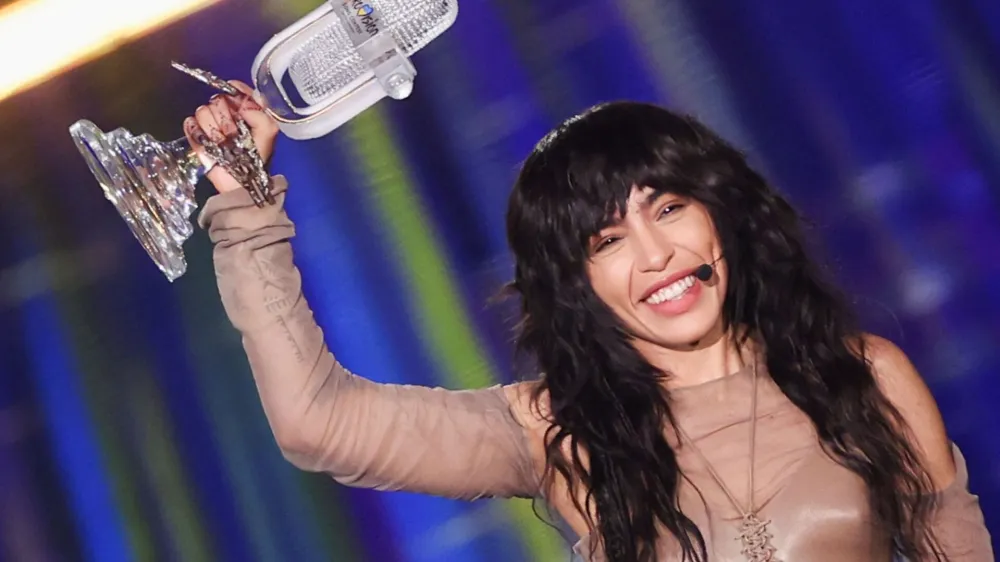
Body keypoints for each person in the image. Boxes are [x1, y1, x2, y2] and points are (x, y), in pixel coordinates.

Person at [182, 83, 993, 562]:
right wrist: (246, 209)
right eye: (606, 242)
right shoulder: (557, 430)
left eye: (668, 209)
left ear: (721, 213)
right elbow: (317, 422)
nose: (657, 255)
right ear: (575, 282)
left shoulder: (863, 376)